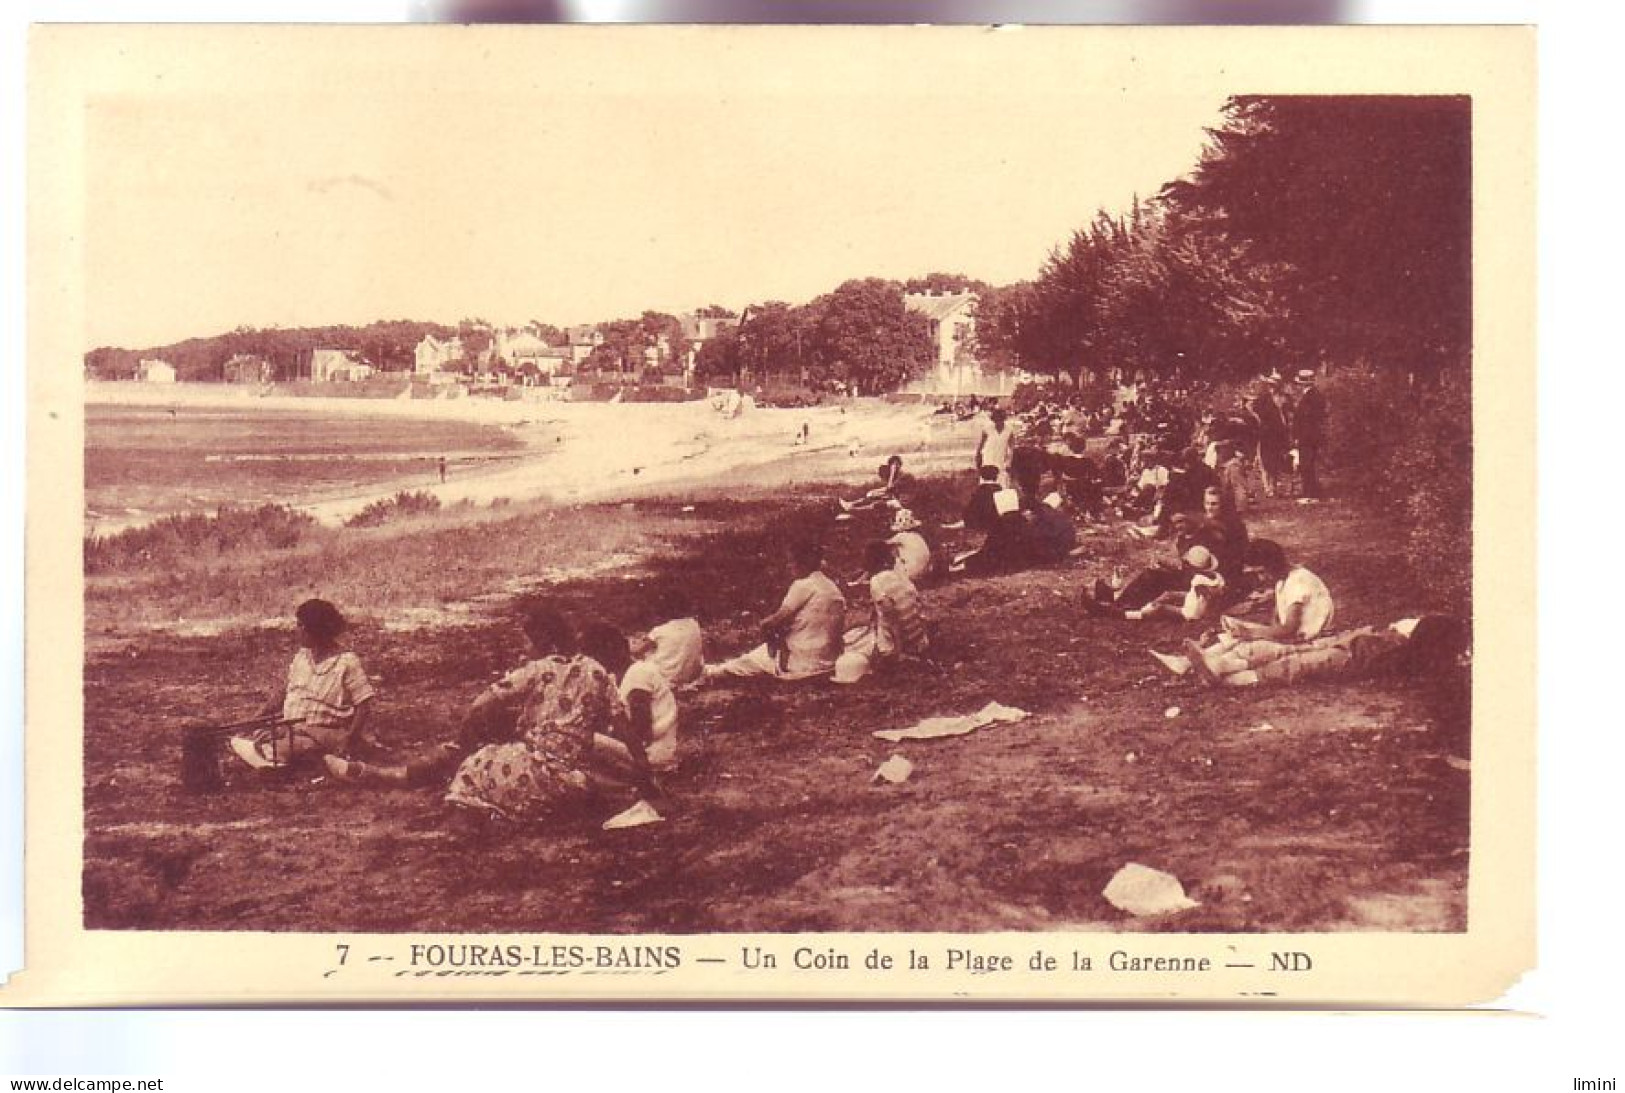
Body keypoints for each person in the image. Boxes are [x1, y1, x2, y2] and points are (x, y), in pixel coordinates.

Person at [324, 606, 640, 810]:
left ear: (542, 639)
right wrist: (647, 776)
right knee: (492, 741)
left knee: (472, 760)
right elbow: (626, 728)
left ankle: (386, 776)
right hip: (577, 777)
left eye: (527, 641)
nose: (524, 648)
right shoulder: (596, 671)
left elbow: (480, 705)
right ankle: (398, 772)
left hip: (541, 773)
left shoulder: (536, 669)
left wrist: (463, 740)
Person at [1149, 541, 1335, 680]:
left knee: (1251, 645)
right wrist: (1255, 631)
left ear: (1275, 564)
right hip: (1296, 635)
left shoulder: (1299, 583)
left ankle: (1214, 665)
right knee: (1235, 636)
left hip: (1310, 640)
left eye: (1262, 572)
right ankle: (1189, 662)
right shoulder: (1283, 580)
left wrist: (1253, 633)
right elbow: (1279, 621)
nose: (1261, 578)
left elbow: (1289, 629)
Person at [230, 598, 375, 771]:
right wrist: (255, 719)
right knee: (245, 739)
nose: (297, 630)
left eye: (300, 626)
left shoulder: (346, 662)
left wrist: (350, 740)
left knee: (281, 747)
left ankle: (277, 763)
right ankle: (275, 758)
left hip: (325, 732)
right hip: (293, 728)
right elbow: (285, 692)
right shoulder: (302, 657)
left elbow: (363, 706)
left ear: (315, 630)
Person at [703, 538, 846, 682]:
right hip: (829, 660)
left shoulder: (803, 585)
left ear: (801, 563)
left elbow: (773, 622)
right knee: (755, 656)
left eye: (791, 562)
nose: (789, 567)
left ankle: (710, 672)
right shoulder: (831, 586)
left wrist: (770, 636)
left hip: (802, 662)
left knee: (746, 662)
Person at [577, 622, 679, 778]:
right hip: (653, 750)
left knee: (584, 739)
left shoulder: (638, 674)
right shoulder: (626, 675)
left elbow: (641, 729)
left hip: (652, 753)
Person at [834, 540, 930, 684]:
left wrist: (898, 648)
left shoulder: (877, 581)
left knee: (852, 643)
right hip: (919, 639)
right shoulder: (901, 575)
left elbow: (890, 613)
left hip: (898, 643)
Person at [640, 587, 704, 690]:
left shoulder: (659, 631)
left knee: (640, 662)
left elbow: (637, 650)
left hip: (664, 678)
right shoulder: (694, 624)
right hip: (689, 677)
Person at [1250, 375, 1290, 498]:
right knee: (1266, 461)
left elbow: (1289, 413)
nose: (1271, 387)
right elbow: (1250, 407)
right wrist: (1258, 419)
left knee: (1279, 460)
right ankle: (1269, 488)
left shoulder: (1284, 398)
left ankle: (1278, 486)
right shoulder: (1264, 399)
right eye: (1270, 385)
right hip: (1267, 435)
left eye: (1274, 385)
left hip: (1280, 434)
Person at [1291, 368, 1328, 498]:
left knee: (1307, 464)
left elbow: (1307, 419)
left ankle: (1310, 493)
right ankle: (1310, 491)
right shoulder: (1314, 395)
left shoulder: (1311, 397)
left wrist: (1300, 437)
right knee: (1308, 464)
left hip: (1307, 437)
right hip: (1311, 436)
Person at [838, 455, 906, 513]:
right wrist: (875, 491)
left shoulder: (903, 476)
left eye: (895, 465)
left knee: (879, 504)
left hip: (902, 503)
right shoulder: (897, 476)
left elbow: (889, 488)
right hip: (897, 499)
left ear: (899, 465)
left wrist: (892, 473)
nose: (894, 467)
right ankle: (851, 504)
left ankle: (853, 510)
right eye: (892, 465)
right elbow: (889, 489)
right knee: (872, 496)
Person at [886, 508, 934, 584]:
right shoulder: (917, 535)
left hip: (912, 572)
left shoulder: (900, 536)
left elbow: (885, 545)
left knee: (893, 551)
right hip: (926, 571)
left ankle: (898, 575)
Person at [975, 406, 1018, 487]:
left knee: (1002, 483)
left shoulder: (1009, 430)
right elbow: (981, 445)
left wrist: (1009, 462)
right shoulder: (987, 429)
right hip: (988, 458)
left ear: (1003, 419)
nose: (998, 422)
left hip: (1001, 459)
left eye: (1000, 420)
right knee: (987, 482)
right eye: (996, 420)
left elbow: (1011, 447)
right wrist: (978, 457)